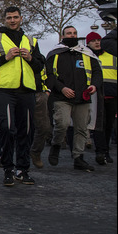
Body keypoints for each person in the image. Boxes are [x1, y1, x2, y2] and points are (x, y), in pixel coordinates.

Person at [0, 7, 44, 187]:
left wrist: (30, 58)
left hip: (26, 89)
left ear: (21, 19)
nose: (12, 20)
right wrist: (5, 57)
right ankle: (8, 168)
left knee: (26, 130)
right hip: (4, 89)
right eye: (9, 17)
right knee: (6, 128)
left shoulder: (31, 40)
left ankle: (23, 169)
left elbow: (39, 66)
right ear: (4, 19)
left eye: (15, 17)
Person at [45, 26, 103, 172]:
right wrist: (62, 88)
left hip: (83, 97)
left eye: (75, 33)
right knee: (62, 124)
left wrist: (94, 86)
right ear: (63, 36)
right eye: (69, 33)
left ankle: (78, 158)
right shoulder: (55, 54)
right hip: (61, 96)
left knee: (82, 129)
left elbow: (97, 72)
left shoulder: (87, 53)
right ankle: (56, 145)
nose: (72, 35)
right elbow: (49, 76)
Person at [86, 31, 117, 165]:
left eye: (99, 40)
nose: (97, 42)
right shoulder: (88, 57)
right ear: (88, 43)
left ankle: (105, 151)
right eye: (93, 41)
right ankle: (101, 152)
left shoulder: (112, 55)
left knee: (109, 125)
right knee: (99, 125)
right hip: (96, 94)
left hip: (112, 94)